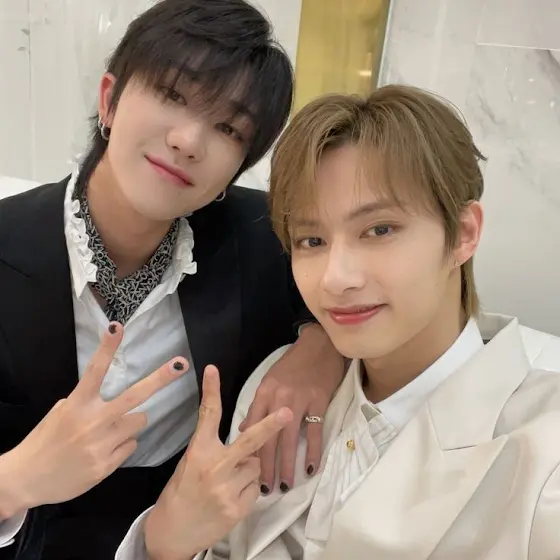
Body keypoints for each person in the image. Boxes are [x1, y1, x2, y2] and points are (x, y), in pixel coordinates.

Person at [117, 84, 560, 559]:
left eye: (379, 230)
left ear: (463, 234)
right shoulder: (278, 391)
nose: (335, 279)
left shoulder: (542, 459)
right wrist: (165, 543)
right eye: (311, 241)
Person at [0, 1, 346, 558]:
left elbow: (351, 290)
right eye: (172, 94)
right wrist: (17, 478)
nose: (188, 140)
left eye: (228, 127)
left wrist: (320, 347)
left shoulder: (259, 238)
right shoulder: (8, 242)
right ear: (109, 99)